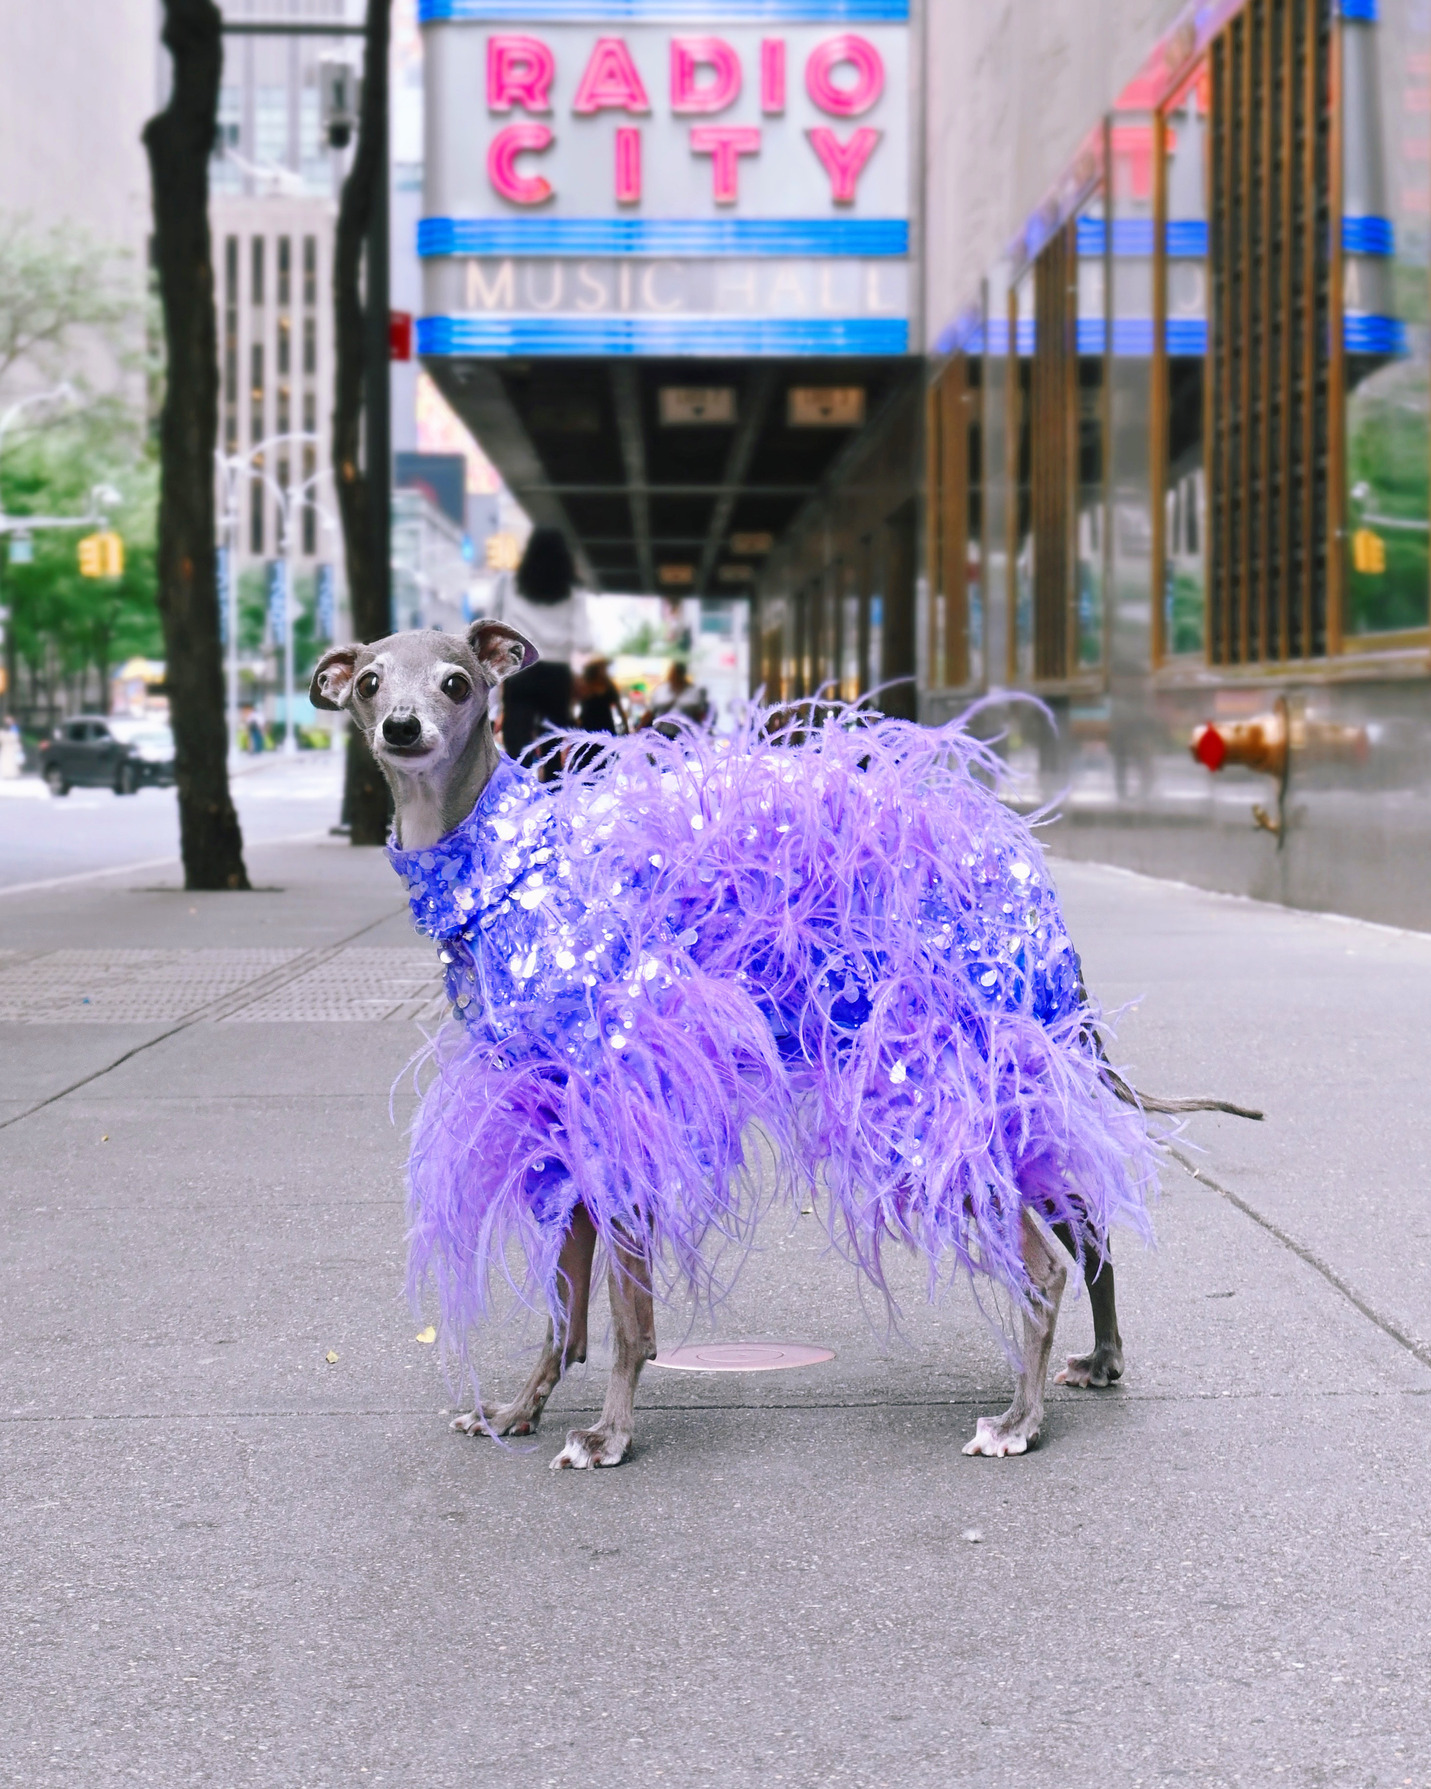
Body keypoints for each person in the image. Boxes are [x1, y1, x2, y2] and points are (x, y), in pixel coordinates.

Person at [491, 527, 591, 778]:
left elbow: (496, 623)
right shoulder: (572, 592)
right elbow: (584, 641)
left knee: (517, 742)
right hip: (556, 674)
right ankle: (553, 797)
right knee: (553, 744)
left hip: (521, 667)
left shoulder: (510, 584)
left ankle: (520, 795)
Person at [568, 657, 628, 774]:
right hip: (588, 727)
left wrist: (625, 728)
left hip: (605, 727)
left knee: (604, 760)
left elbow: (619, 708)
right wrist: (574, 721)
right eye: (602, 668)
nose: (604, 671)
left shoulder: (608, 686)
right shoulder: (584, 685)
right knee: (587, 761)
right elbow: (572, 703)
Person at [637, 660, 710, 738]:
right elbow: (649, 713)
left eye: (678, 671)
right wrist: (639, 730)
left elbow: (700, 716)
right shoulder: (661, 689)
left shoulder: (694, 692)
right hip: (660, 735)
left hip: (684, 738)